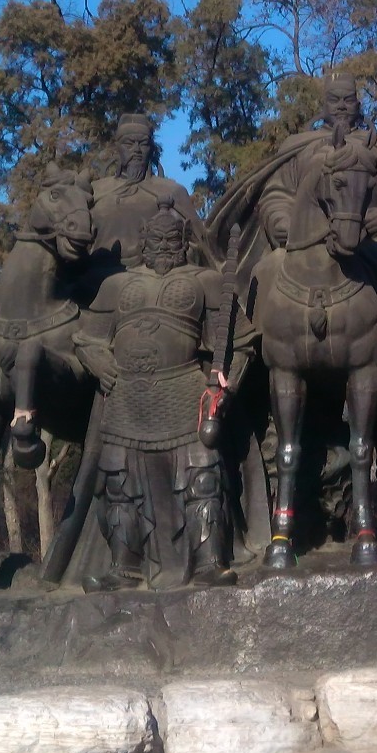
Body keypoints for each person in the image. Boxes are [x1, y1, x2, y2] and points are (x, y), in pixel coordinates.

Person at [51, 202, 251, 590]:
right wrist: (100, 364)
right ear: (143, 241)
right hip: (126, 395)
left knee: (202, 480)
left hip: (186, 392)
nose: (163, 245)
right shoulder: (116, 285)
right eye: (155, 239)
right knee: (118, 485)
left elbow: (241, 342)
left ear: (184, 242)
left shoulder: (206, 281)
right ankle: (125, 565)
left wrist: (225, 386)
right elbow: (87, 338)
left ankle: (209, 560)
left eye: (171, 239)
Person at [210, 74, 377, 366]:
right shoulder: (300, 146)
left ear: (358, 105)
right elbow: (276, 194)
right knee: (267, 266)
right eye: (334, 100)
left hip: (367, 240)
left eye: (348, 99)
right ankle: (256, 342)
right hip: (305, 245)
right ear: (323, 105)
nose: (341, 106)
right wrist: (281, 221)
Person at [86, 113, 204, 281]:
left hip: (157, 280)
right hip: (98, 281)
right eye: (129, 143)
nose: (137, 150)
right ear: (117, 146)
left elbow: (197, 244)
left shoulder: (172, 191)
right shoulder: (96, 191)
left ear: (151, 149)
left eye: (143, 144)